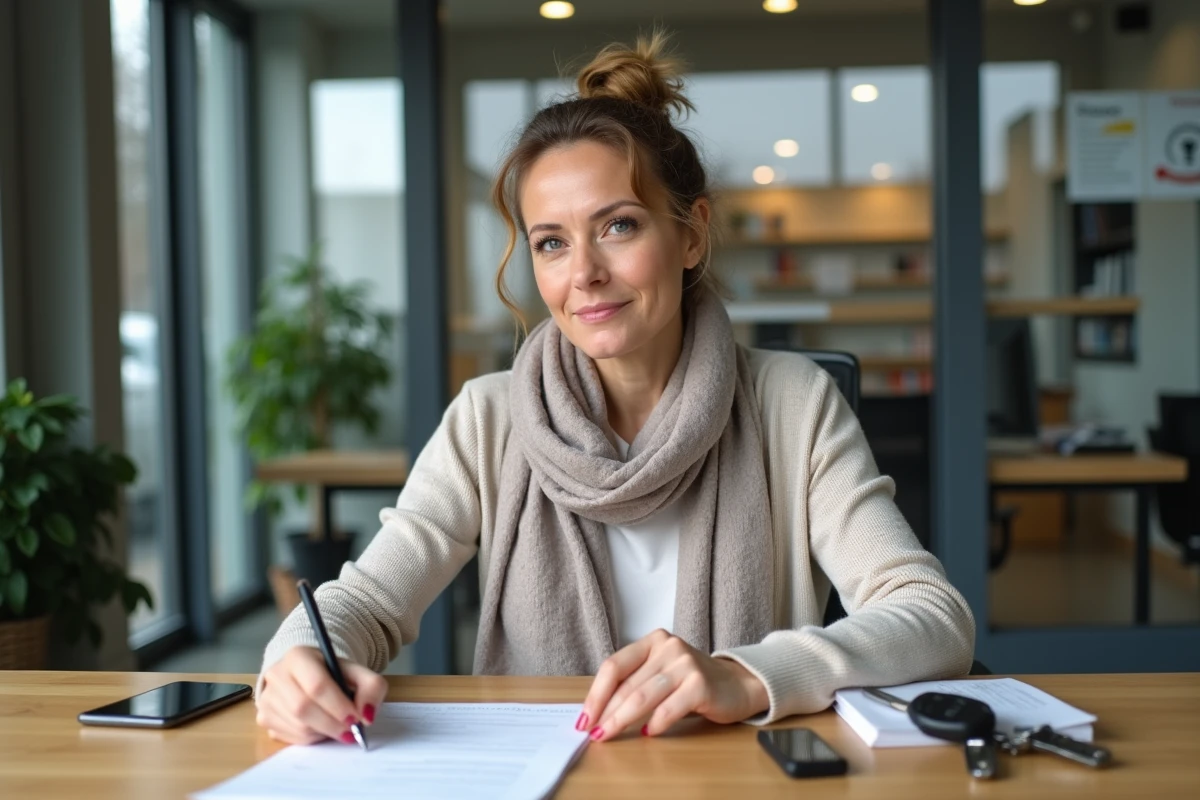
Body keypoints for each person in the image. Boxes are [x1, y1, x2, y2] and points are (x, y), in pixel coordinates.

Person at [254, 32, 975, 747]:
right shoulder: (490, 417)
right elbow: (365, 601)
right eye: (551, 242)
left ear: (691, 236)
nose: (584, 273)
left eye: (619, 226)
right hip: (538, 773)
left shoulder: (793, 402)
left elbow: (932, 615)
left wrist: (747, 676)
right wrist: (298, 664)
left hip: (734, 776)